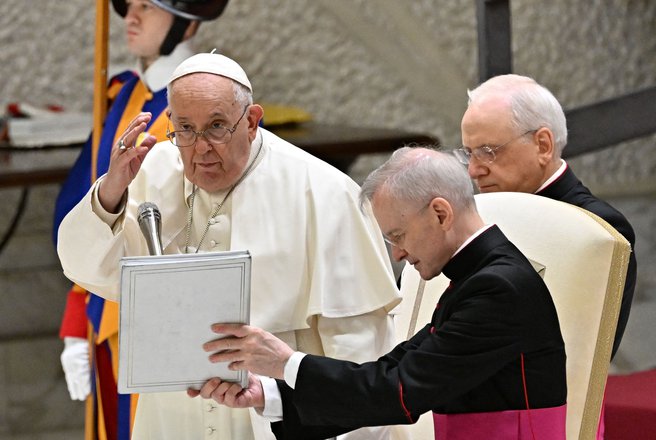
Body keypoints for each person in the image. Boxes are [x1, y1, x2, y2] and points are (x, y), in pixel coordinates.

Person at [57, 51, 404, 440]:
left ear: (252, 121)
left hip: (276, 415)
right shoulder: (154, 172)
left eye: (217, 126)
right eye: (185, 129)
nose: (200, 147)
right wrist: (110, 191)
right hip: (173, 414)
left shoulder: (323, 192)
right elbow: (87, 267)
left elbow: (359, 347)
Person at [189, 147, 568, 440]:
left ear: (440, 213)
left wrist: (286, 362)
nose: (398, 254)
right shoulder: (480, 277)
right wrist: (269, 395)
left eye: (398, 237)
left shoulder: (497, 289)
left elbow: (399, 390)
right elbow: (391, 370)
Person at [54, 1, 228, 438]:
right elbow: (86, 210)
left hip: (164, 314)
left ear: (187, 22)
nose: (131, 16)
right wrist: (77, 317)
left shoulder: (198, 108)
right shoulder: (126, 93)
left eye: (148, 7)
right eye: (129, 4)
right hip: (106, 307)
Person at [457, 73, 636, 359]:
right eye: (469, 154)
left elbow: (583, 351)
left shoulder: (596, 226)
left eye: (488, 152)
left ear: (543, 145)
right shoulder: (478, 213)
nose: (473, 170)